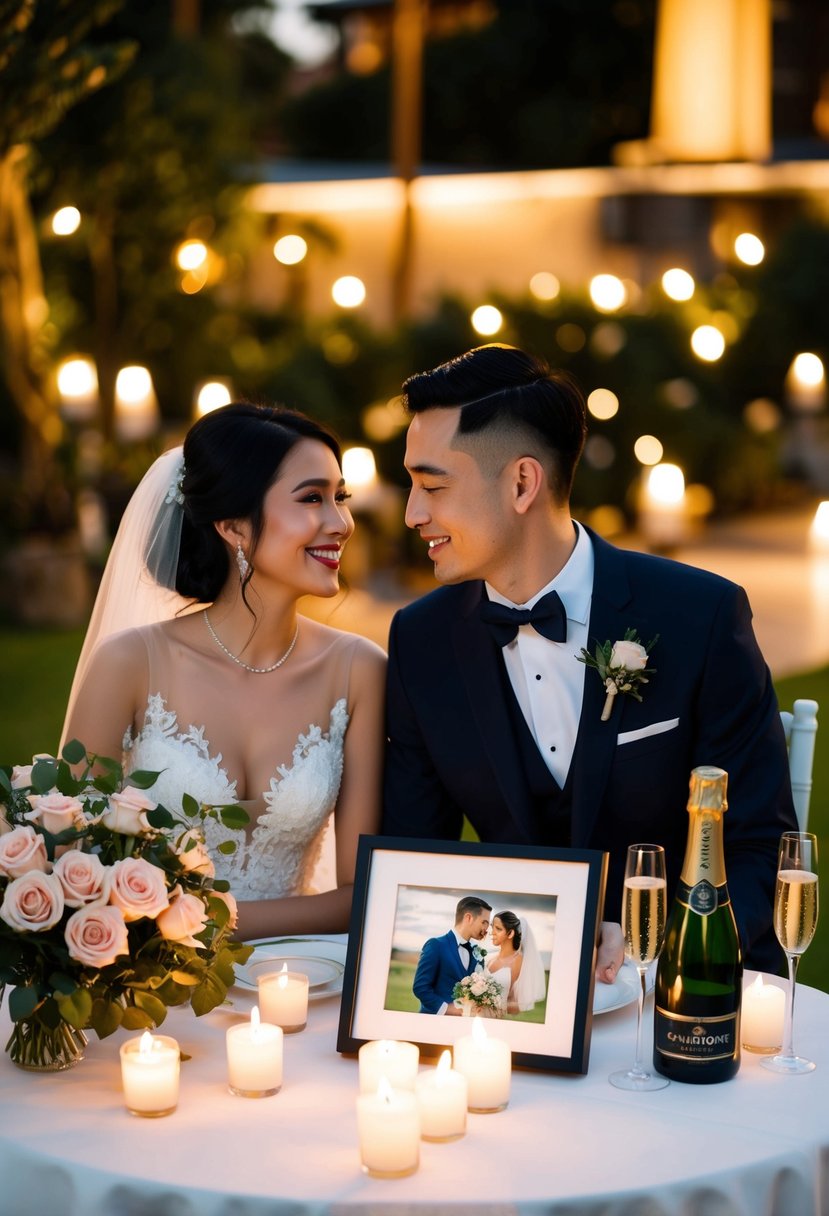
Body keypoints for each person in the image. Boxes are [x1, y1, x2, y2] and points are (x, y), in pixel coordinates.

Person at [382, 344, 798, 974]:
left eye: (432, 485)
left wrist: (657, 957)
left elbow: (758, 846)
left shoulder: (699, 617)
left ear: (523, 482)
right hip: (514, 1008)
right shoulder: (421, 640)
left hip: (679, 1000)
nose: (413, 513)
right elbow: (413, 866)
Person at [63, 402, 386, 940]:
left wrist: (196, 919)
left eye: (340, 498)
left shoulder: (359, 671)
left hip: (303, 979)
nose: (341, 523)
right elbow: (73, 861)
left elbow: (362, 893)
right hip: (148, 989)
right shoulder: (129, 664)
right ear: (233, 526)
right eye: (312, 498)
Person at [412, 895, 491, 1014]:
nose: (486, 929)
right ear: (468, 918)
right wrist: (447, 1009)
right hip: (432, 1023)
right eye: (484, 922)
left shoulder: (478, 954)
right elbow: (420, 987)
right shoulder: (436, 945)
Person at [486, 911, 547, 1015]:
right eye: (492, 927)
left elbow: (518, 1006)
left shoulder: (519, 962)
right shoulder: (489, 959)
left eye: (498, 929)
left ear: (510, 933)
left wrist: (488, 1005)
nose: (492, 932)